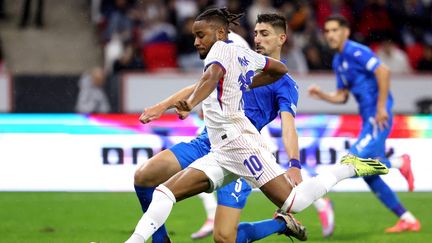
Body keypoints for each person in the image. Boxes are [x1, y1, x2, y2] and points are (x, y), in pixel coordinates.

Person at [125, 8, 389, 243]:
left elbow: (284, 119)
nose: (257, 38)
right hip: (214, 145)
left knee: (281, 208)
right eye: (256, 33)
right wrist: (164, 106)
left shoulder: (272, 79)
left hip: (242, 146)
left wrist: (294, 163)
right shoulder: (243, 55)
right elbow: (209, 80)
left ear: (281, 38)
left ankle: (346, 168)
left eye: (264, 33)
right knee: (160, 190)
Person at [308, 14, 421, 233]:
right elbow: (342, 97)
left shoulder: (355, 51)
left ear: (345, 32)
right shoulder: (338, 61)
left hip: (377, 117)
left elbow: (383, 72)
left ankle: (399, 162)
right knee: (369, 175)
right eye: (327, 31)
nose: (330, 34)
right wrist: (321, 95)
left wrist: (381, 107)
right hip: (368, 120)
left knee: (352, 162)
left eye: (334, 30)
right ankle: (407, 218)